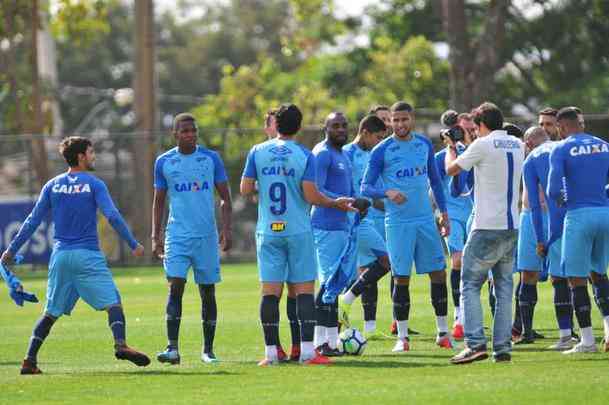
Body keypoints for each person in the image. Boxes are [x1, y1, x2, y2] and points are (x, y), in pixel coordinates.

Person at [1, 136, 150, 375]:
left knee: (50, 313)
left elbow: (32, 221)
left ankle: (29, 360)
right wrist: (133, 243)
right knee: (113, 301)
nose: (94, 156)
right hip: (87, 255)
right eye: (91, 152)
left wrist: (11, 250)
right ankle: (121, 344)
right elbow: (111, 215)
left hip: (60, 257)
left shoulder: (52, 185)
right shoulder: (94, 184)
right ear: (81, 156)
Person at [240, 103, 356, 366]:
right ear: (299, 127)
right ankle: (306, 352)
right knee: (304, 291)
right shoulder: (305, 155)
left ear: (276, 125)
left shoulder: (257, 151)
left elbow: (245, 189)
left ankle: (271, 354)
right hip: (298, 230)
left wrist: (267, 182)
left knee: (270, 292)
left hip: (268, 231)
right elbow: (311, 196)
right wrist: (334, 203)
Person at [362, 101, 452, 352]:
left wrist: (443, 212)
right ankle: (402, 338)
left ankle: (443, 332)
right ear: (390, 121)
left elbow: (435, 180)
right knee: (401, 277)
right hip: (398, 222)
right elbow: (366, 187)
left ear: (411, 119)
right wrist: (387, 191)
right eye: (395, 120)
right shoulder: (382, 150)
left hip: (425, 220)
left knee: (439, 273)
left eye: (404, 119)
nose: (400, 124)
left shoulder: (424, 144)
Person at [445, 102, 525, 364]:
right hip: (512, 225)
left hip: (486, 225)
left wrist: (450, 147)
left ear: (481, 125)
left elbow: (452, 169)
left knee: (469, 284)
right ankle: (502, 348)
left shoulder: (482, 144)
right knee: (503, 289)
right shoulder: (517, 144)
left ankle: (475, 343)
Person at [152, 113, 232, 365]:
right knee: (175, 286)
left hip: (206, 237)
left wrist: (226, 229)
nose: (190, 134)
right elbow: (159, 201)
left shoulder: (211, 159)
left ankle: (208, 350)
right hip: (176, 236)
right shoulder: (164, 162)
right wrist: (156, 236)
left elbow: (225, 198)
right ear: (175, 134)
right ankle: (172, 348)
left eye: (193, 130)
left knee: (207, 292)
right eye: (184, 131)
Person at [547, 107, 609, 354]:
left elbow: (553, 190)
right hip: (605, 213)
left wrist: (565, 200)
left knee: (576, 279)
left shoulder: (561, 148)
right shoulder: (604, 145)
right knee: (600, 275)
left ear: (561, 127)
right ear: (581, 123)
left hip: (579, 215)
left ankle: (587, 341)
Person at [519, 126, 578, 350]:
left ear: (528, 143)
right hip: (563, 216)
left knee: (529, 274)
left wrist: (541, 238)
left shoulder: (531, 158)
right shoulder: (562, 149)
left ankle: (527, 331)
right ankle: (567, 333)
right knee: (561, 276)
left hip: (535, 218)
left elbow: (534, 202)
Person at [311, 111, 361, 356]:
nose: (341, 129)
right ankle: (322, 342)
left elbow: (349, 191)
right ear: (326, 128)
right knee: (329, 284)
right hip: (325, 225)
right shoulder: (322, 154)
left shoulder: (342, 154)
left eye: (344, 125)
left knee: (337, 283)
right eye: (335, 126)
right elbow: (316, 189)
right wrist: (337, 201)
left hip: (342, 225)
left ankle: (331, 341)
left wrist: (359, 202)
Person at [338, 115, 391, 339]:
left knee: (365, 269)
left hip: (366, 218)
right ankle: (345, 300)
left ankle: (357, 325)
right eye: (378, 137)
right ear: (366, 132)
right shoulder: (346, 154)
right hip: (352, 221)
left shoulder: (373, 154)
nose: (379, 142)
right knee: (387, 261)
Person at [435, 111, 475, 340]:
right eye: (464, 129)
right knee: (458, 260)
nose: (467, 133)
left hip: (477, 213)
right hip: (454, 216)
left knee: (483, 268)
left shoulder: (479, 152)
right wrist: (442, 213)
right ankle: (459, 318)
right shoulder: (443, 156)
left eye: (472, 129)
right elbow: (437, 185)